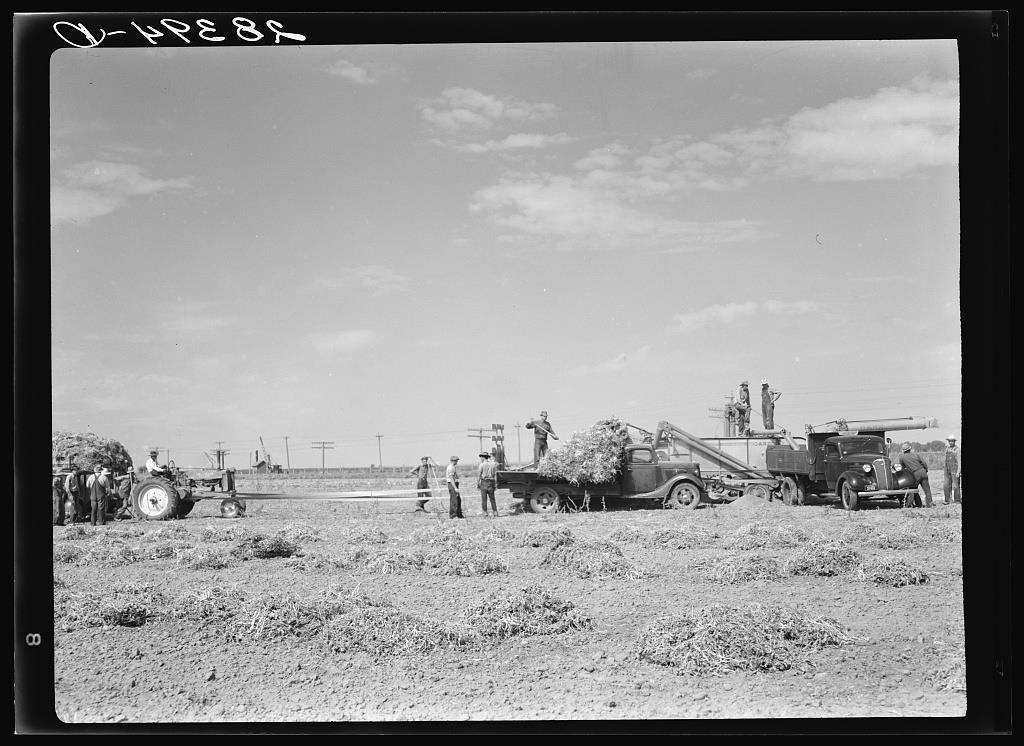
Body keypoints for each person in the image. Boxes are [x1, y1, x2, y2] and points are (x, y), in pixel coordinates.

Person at [897, 442, 933, 508]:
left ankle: (918, 504)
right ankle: (930, 504)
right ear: (910, 449)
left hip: (915, 474)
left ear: (903, 450)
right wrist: (926, 470)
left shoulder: (902, 457)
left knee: (913, 489)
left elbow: (902, 467)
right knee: (927, 490)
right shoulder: (916, 455)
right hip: (923, 471)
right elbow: (924, 463)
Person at [477, 452, 498, 517]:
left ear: (483, 457)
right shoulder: (493, 464)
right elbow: (495, 475)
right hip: (491, 482)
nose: (480, 458)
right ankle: (495, 512)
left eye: (481, 457)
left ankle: (485, 512)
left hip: (484, 482)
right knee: (492, 499)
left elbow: (479, 475)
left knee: (484, 499)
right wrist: (495, 484)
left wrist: (478, 484)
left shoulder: (481, 465)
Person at [943, 435, 962, 504]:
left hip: (955, 469)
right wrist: (944, 468)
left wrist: (958, 471)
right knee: (946, 485)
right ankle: (947, 500)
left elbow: (959, 461)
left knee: (956, 485)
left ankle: (957, 500)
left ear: (954, 441)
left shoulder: (957, 449)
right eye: (949, 441)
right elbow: (945, 459)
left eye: (952, 441)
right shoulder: (947, 449)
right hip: (947, 469)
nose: (950, 442)